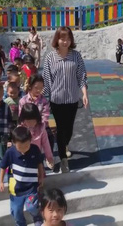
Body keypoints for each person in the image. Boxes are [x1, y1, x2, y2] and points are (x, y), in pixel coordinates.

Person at [42, 26, 88, 173]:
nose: (65, 42)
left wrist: (85, 94)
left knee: (68, 130)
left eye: (68, 39)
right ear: (57, 39)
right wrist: (39, 98)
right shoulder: (50, 57)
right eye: (62, 38)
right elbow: (47, 80)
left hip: (72, 100)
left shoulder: (76, 56)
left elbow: (81, 76)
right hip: (56, 100)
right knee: (61, 129)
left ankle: (64, 146)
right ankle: (63, 160)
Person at [0, 127, 44, 226]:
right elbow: (3, 167)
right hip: (16, 190)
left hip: (31, 187)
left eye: (26, 146)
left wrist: (41, 176)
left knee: (32, 206)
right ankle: (21, 224)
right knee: (16, 211)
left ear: (30, 141)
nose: (24, 150)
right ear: (14, 143)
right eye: (20, 147)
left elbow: (40, 164)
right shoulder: (10, 152)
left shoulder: (35, 150)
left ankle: (37, 217)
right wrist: (1, 181)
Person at [20, 74, 54, 161]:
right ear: (30, 86)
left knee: (50, 137)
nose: (39, 90)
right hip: (26, 127)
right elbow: (21, 117)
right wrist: (28, 127)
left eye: (41, 88)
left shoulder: (44, 101)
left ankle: (48, 157)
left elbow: (45, 116)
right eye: (36, 87)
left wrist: (40, 127)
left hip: (40, 126)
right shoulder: (23, 100)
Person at [18, 103, 54, 170]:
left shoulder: (41, 128)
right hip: (24, 157)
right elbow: (17, 145)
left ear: (37, 119)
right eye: (28, 122)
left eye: (33, 121)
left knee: (40, 174)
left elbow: (46, 144)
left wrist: (49, 157)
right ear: (23, 119)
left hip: (37, 156)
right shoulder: (20, 129)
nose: (31, 124)